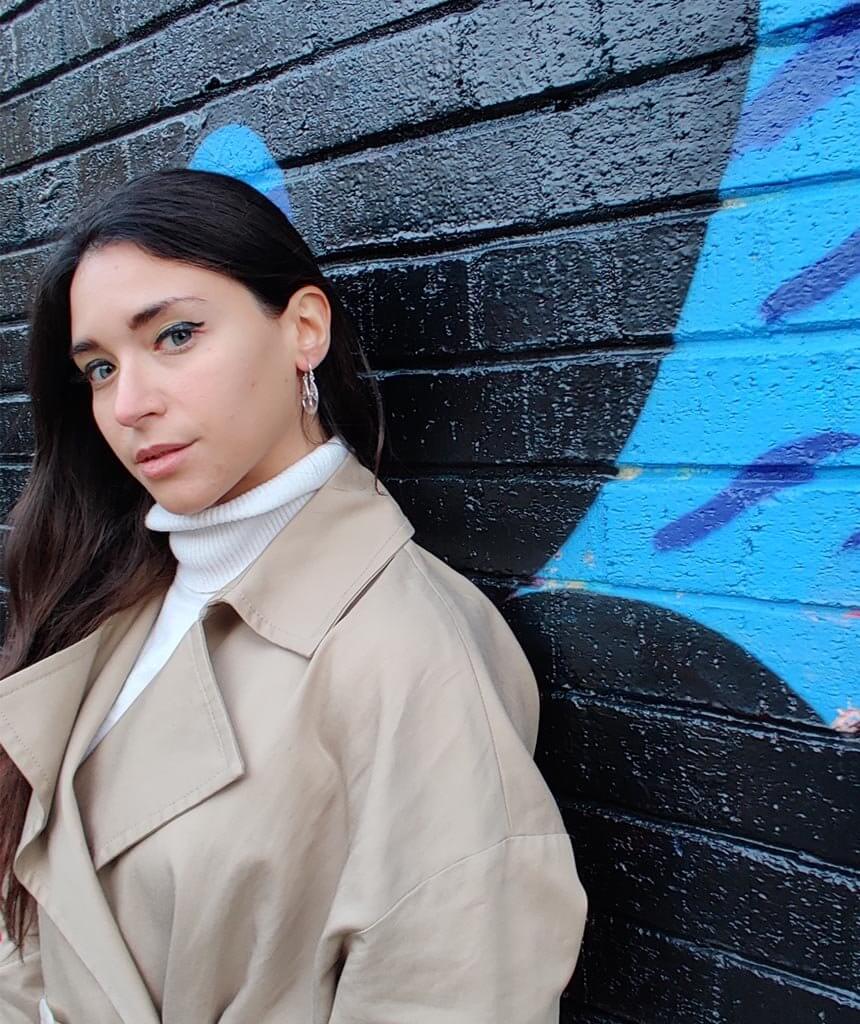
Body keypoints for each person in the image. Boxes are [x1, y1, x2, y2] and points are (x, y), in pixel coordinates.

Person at [0, 167, 588, 1023]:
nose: (128, 403)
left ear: (302, 329)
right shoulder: (115, 598)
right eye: (97, 368)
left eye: (175, 336)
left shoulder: (408, 652)